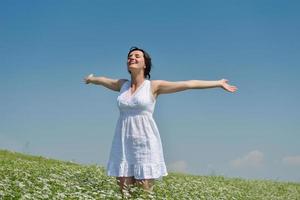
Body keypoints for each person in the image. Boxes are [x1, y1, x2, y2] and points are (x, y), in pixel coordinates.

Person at [84, 46, 238, 196]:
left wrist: (218, 83)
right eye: (130, 57)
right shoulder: (122, 85)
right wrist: (91, 79)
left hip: (145, 143)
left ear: (145, 64)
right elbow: (102, 80)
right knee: (125, 193)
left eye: (137, 56)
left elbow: (188, 84)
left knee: (144, 192)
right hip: (123, 143)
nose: (132, 58)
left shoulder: (153, 86)